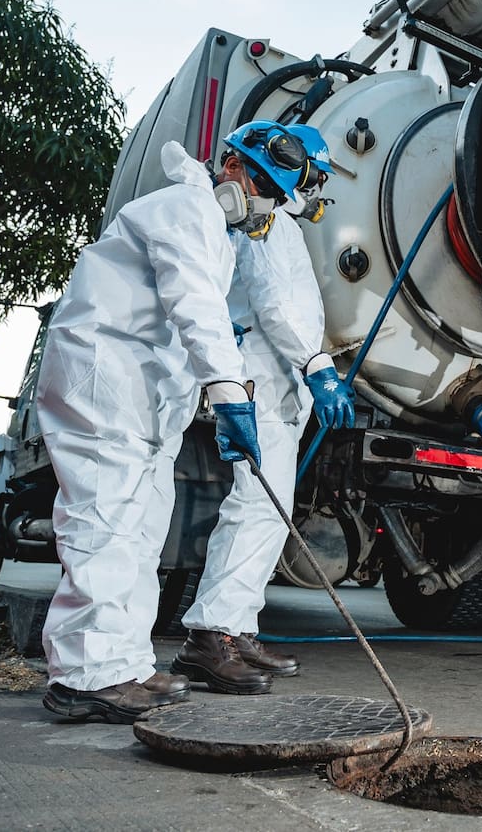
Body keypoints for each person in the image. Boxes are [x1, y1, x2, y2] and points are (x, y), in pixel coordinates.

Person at [37, 120, 314, 722]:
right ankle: (85, 676)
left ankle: (123, 664)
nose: (264, 203)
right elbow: (197, 307)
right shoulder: (187, 208)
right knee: (107, 523)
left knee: (139, 529)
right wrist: (232, 393)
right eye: (262, 183)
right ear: (232, 168)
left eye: (276, 195)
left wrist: (214, 395)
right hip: (103, 382)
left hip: (139, 398)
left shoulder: (212, 227)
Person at [173, 122, 354, 694]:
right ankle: (211, 636)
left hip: (280, 389)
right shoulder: (267, 223)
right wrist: (318, 367)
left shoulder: (281, 224)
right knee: (254, 510)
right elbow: (276, 305)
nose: (314, 187)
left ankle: (236, 630)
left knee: (267, 515)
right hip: (267, 382)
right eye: (313, 175)